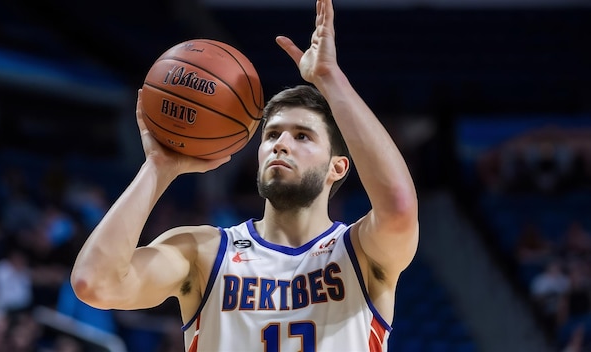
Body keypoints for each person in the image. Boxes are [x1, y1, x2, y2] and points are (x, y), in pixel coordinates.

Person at [70, 0, 419, 351]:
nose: (281, 144)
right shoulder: (204, 252)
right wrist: (157, 169)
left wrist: (330, 80)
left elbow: (399, 207)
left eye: (302, 136)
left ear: (337, 167)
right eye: (272, 135)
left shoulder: (361, 252)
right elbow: (94, 283)